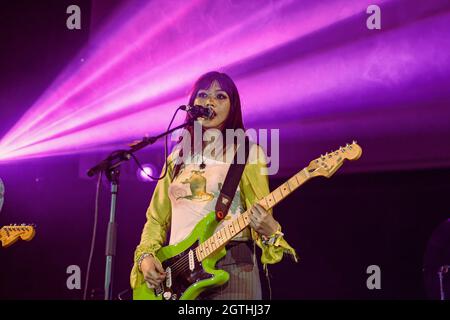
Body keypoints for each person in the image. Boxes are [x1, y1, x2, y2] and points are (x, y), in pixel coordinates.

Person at [130, 71, 297, 299]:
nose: (209, 101)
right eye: (202, 95)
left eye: (220, 96)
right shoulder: (176, 158)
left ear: (233, 106)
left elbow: (261, 213)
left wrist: (270, 231)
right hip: (177, 275)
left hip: (232, 265)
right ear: (192, 105)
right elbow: (157, 219)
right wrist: (146, 257)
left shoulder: (248, 153)